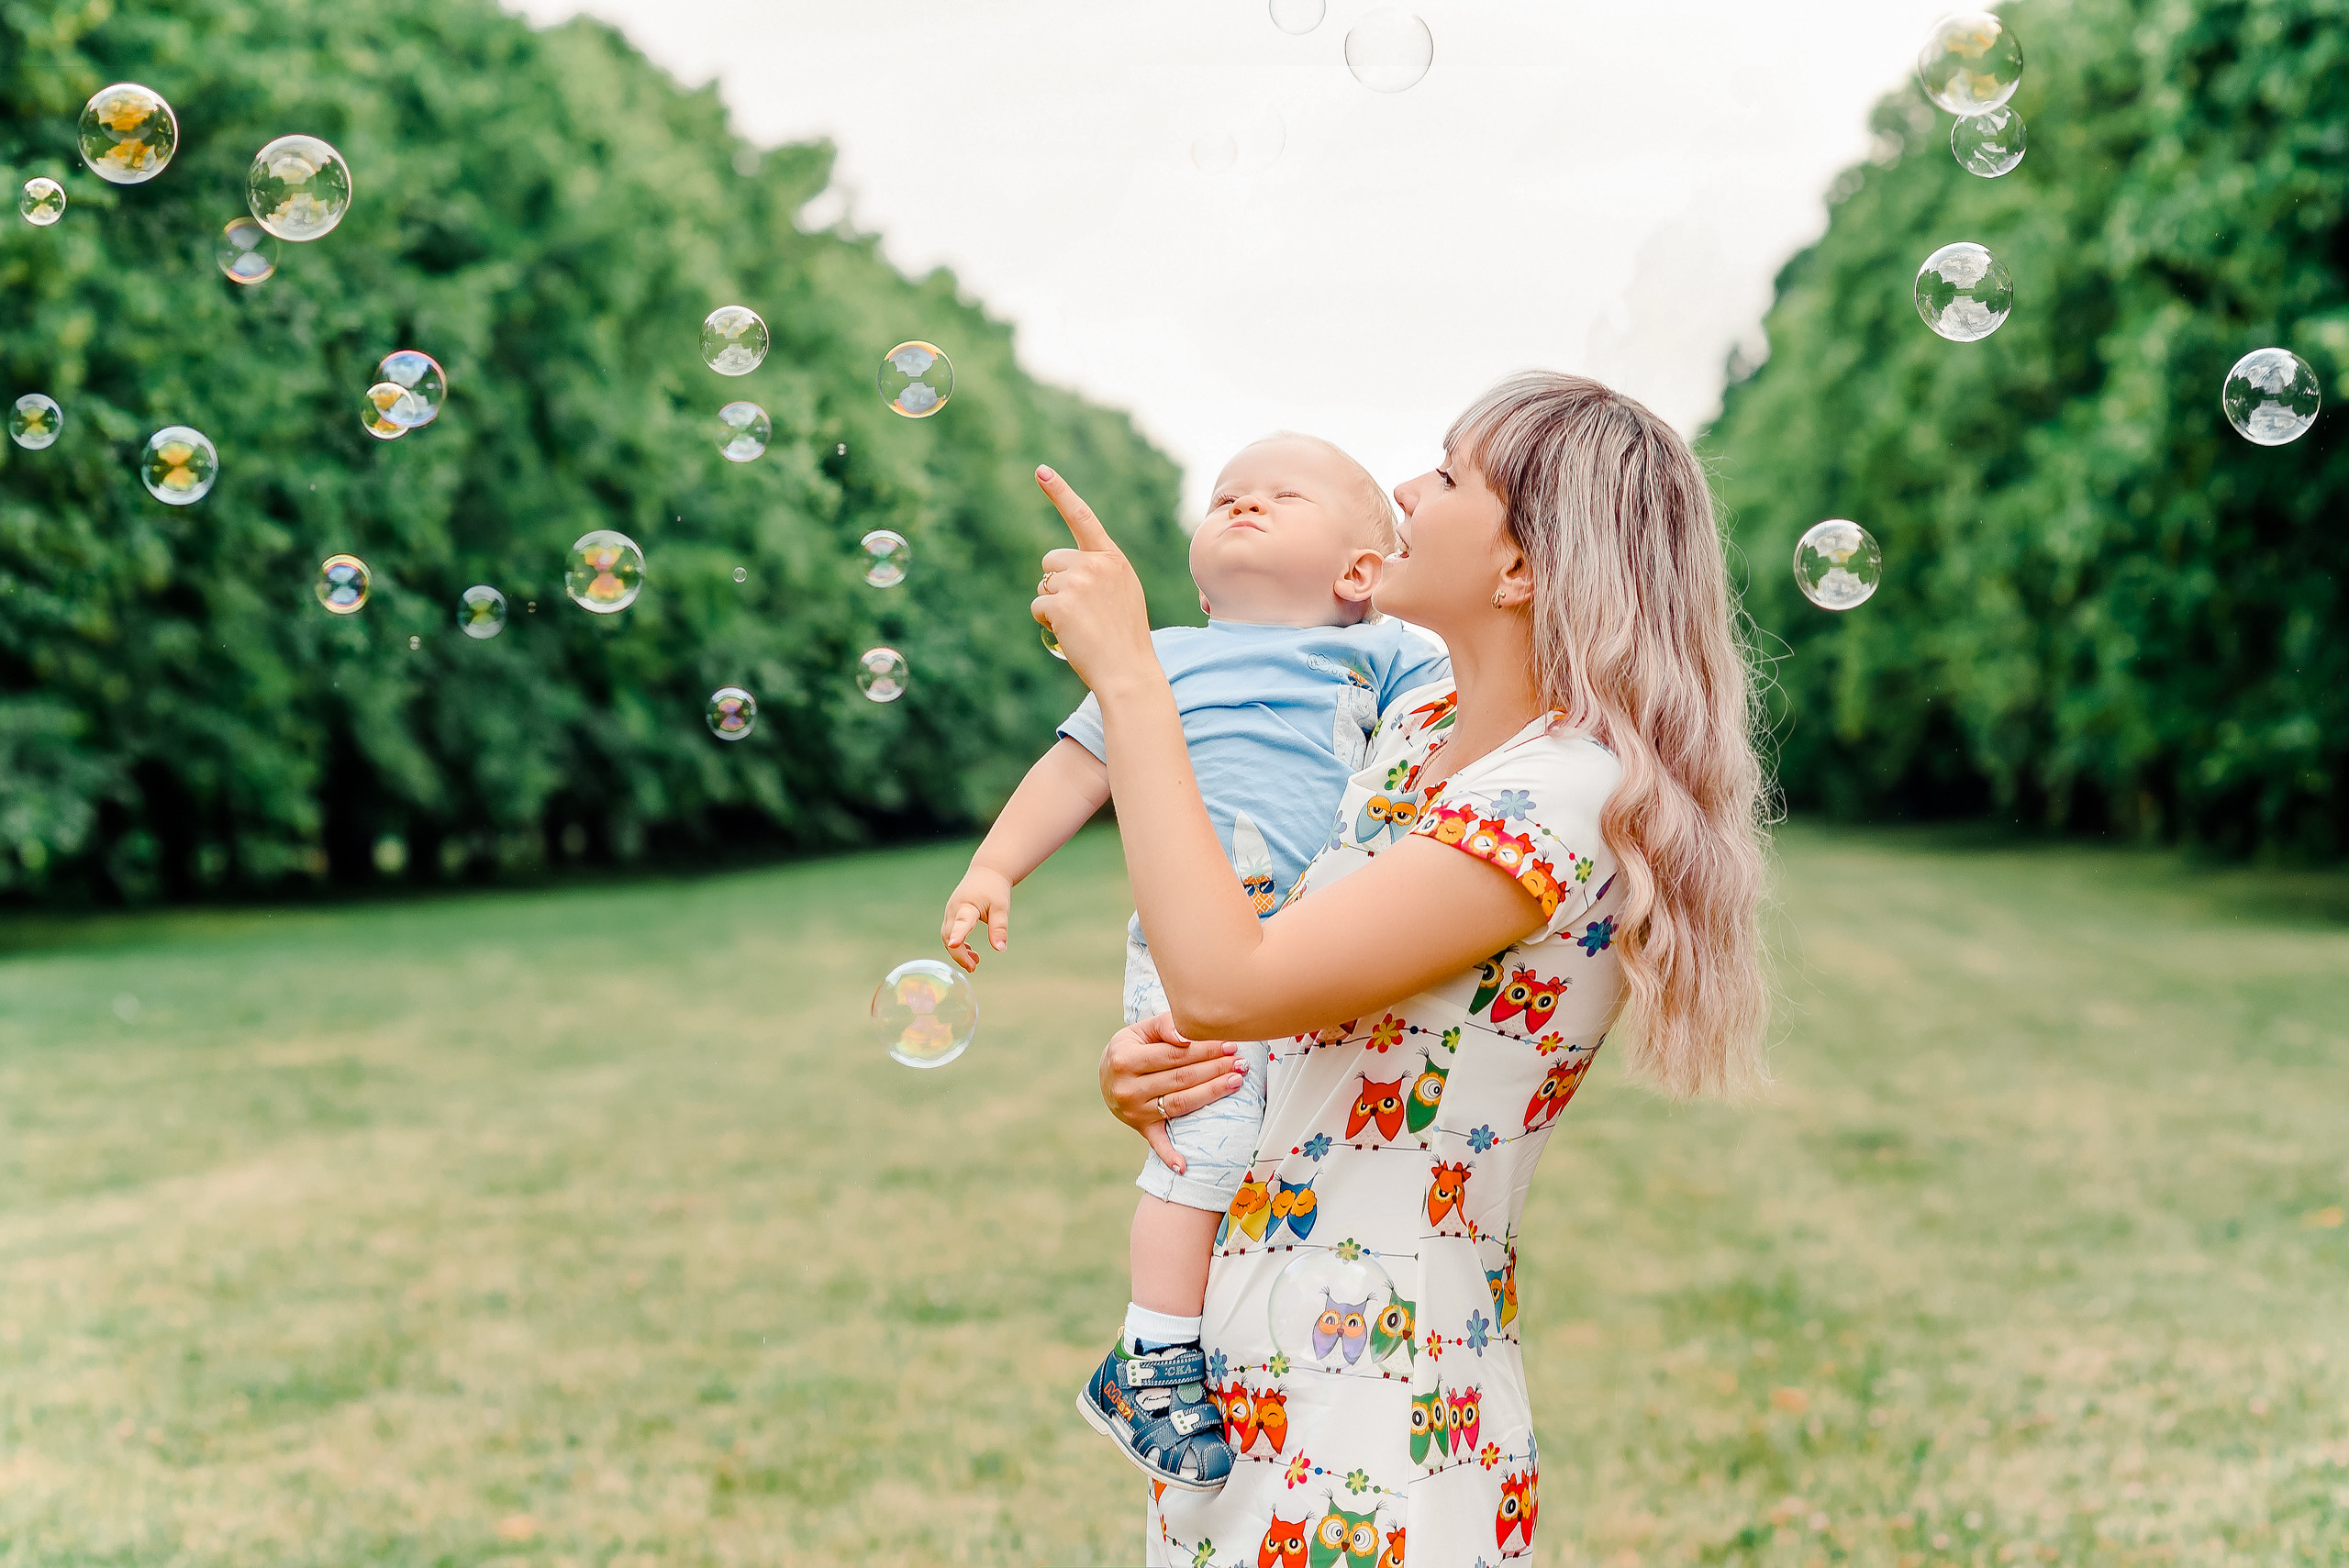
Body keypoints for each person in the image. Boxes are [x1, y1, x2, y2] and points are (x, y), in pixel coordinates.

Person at [1031, 372, 1770, 1562]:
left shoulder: (1559, 799)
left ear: (1520, 566)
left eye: (1446, 471)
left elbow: (1234, 979)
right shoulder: (1409, 736)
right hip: (1241, 1375)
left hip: (1388, 1410)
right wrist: (1161, 1071)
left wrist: (1131, 677)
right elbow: (1256, 994)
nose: (1406, 490)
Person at [940, 433, 1450, 1492]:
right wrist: (993, 867)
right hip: (1193, 949)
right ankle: (1152, 1350)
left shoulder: (1393, 653)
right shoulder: (1158, 657)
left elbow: (1459, 725)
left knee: (1303, 1140)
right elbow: (1074, 770)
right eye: (1226, 495)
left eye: (1279, 495)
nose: (1243, 502)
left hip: (1327, 943)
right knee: (1202, 1140)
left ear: (1361, 571)